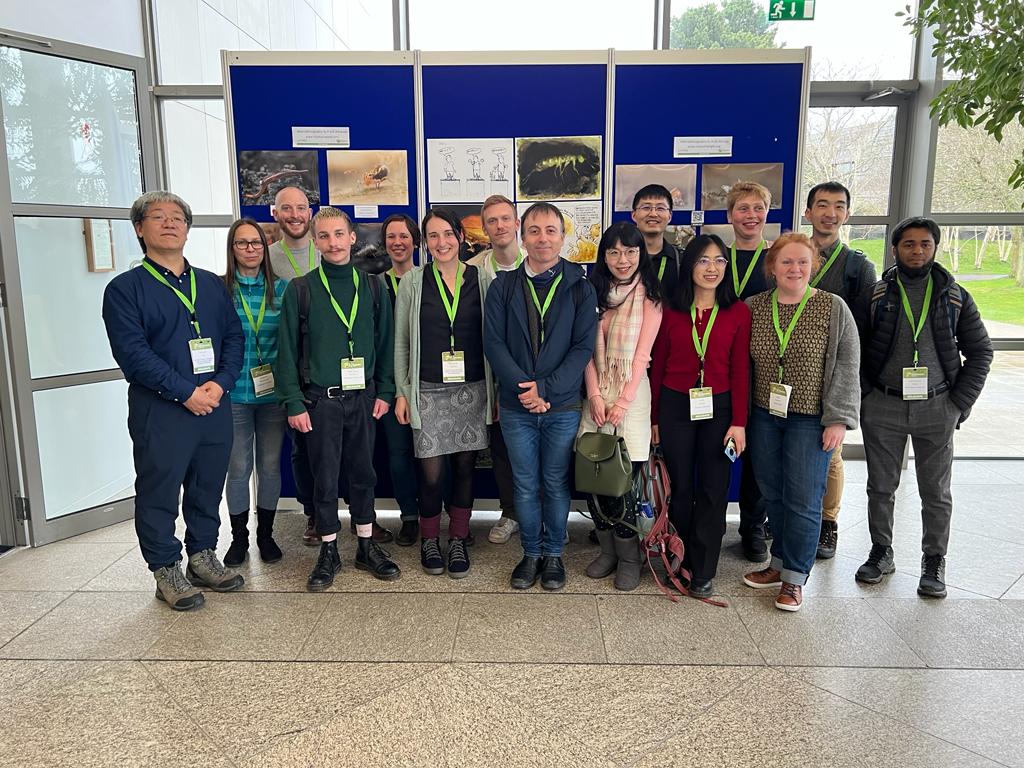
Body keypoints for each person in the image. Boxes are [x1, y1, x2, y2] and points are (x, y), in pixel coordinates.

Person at [102, 191, 245, 611]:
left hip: (214, 407)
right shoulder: (125, 289)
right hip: (162, 411)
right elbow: (133, 354)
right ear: (139, 229)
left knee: (207, 486)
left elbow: (234, 338)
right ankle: (165, 567)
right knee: (159, 490)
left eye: (177, 217)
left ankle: (202, 556)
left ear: (187, 227)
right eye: (158, 217)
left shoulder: (213, 285)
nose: (170, 223)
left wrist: (220, 385)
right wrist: (186, 393)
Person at [855, 217, 992, 598]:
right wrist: (866, 394)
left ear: (935, 247)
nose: (917, 251)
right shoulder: (876, 295)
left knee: (936, 491)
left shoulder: (955, 296)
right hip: (883, 404)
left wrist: (959, 404)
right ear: (895, 248)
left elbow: (981, 352)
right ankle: (881, 551)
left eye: (925, 244)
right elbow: (856, 351)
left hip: (937, 405)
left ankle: (934, 560)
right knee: (880, 487)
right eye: (909, 244)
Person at [275, 206, 401, 590]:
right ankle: (329, 548)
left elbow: (385, 344)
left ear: (352, 238)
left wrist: (385, 390)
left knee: (364, 474)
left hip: (363, 398)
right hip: (320, 402)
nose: (332, 242)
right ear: (316, 241)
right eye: (324, 236)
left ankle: (365, 544)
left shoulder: (374, 287)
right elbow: (285, 351)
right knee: (325, 478)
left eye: (338, 234)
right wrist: (293, 402)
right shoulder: (301, 289)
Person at [742, 232, 860, 612]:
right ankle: (777, 564)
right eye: (787, 262)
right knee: (771, 492)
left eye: (803, 262)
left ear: (814, 266)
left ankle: (794, 577)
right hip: (763, 414)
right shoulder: (754, 307)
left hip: (811, 419)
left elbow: (846, 365)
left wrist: (838, 419)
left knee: (805, 500)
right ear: (772, 267)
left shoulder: (832, 307)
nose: (795, 269)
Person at [484, 202, 598, 591]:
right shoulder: (503, 286)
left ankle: (553, 555)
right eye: (534, 230)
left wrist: (545, 389)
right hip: (517, 406)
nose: (543, 238)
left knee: (554, 480)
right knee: (525, 482)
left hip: (562, 404)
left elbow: (583, 347)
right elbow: (494, 345)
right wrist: (525, 390)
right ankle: (530, 553)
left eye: (551, 230)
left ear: (562, 237)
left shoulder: (580, 286)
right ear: (522, 235)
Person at [394, 210, 494, 578]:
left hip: (473, 389)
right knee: (431, 473)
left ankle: (459, 539)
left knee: (466, 467)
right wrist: (404, 392)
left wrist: (495, 396)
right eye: (432, 236)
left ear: (460, 237)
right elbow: (403, 343)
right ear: (424, 242)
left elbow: (493, 340)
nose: (441, 242)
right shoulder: (413, 282)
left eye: (447, 234)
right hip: (428, 390)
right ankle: (430, 538)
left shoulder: (482, 279)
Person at [650, 234, 751, 598]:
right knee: (680, 488)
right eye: (703, 260)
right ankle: (679, 558)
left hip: (720, 410)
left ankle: (705, 567)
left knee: (713, 489)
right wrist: (655, 418)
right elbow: (658, 365)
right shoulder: (671, 310)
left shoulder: (738, 311)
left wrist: (739, 422)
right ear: (689, 265)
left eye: (719, 261)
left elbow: (741, 371)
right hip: (676, 406)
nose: (712, 268)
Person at [580, 222, 662, 591]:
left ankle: (631, 557)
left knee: (625, 483)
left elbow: (643, 356)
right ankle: (608, 551)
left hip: (631, 397)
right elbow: (584, 350)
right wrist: (596, 395)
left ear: (640, 254)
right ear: (604, 256)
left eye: (630, 251)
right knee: (593, 476)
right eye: (613, 252)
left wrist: (622, 403)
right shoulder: (591, 292)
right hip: (596, 395)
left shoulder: (651, 297)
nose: (622, 259)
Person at [803, 181, 878, 559]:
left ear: (846, 214)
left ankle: (828, 523)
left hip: (832, 375)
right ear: (808, 212)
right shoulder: (793, 255)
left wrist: (852, 387)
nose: (829, 213)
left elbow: (865, 330)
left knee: (830, 453)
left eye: (837, 206)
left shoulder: (858, 266)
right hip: (790, 374)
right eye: (821, 205)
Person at [222, 218, 289, 567]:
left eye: (256, 243)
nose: (250, 249)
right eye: (242, 243)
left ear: (265, 249)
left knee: (270, 466)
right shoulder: (220, 291)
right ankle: (238, 538)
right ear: (232, 249)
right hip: (232, 395)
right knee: (237, 468)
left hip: (273, 396)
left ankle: (266, 534)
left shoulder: (283, 290)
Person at [467, 195, 523, 545]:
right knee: (500, 448)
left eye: (506, 219)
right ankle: (510, 512)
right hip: (484, 372)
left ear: (517, 224)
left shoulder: (537, 263)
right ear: (484, 228)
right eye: (492, 221)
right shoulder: (472, 269)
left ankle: (544, 513)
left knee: (538, 451)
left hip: (530, 374)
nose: (500, 226)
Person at [726, 180, 773, 562]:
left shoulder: (777, 260)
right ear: (730, 216)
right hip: (719, 368)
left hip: (764, 368)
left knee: (757, 455)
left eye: (758, 208)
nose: (751, 215)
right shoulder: (716, 259)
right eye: (743, 208)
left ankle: (752, 528)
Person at [380, 214, 423, 546]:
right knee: (398, 455)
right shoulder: (376, 284)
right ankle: (409, 516)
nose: (398, 242)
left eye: (404, 236)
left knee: (434, 455)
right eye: (391, 237)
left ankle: (437, 515)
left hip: (428, 383)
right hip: (392, 384)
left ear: (415, 240)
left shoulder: (428, 280)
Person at [631, 184, 679, 299]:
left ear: (670, 216)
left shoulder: (680, 260)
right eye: (646, 208)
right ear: (634, 215)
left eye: (660, 208)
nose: (653, 214)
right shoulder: (621, 259)